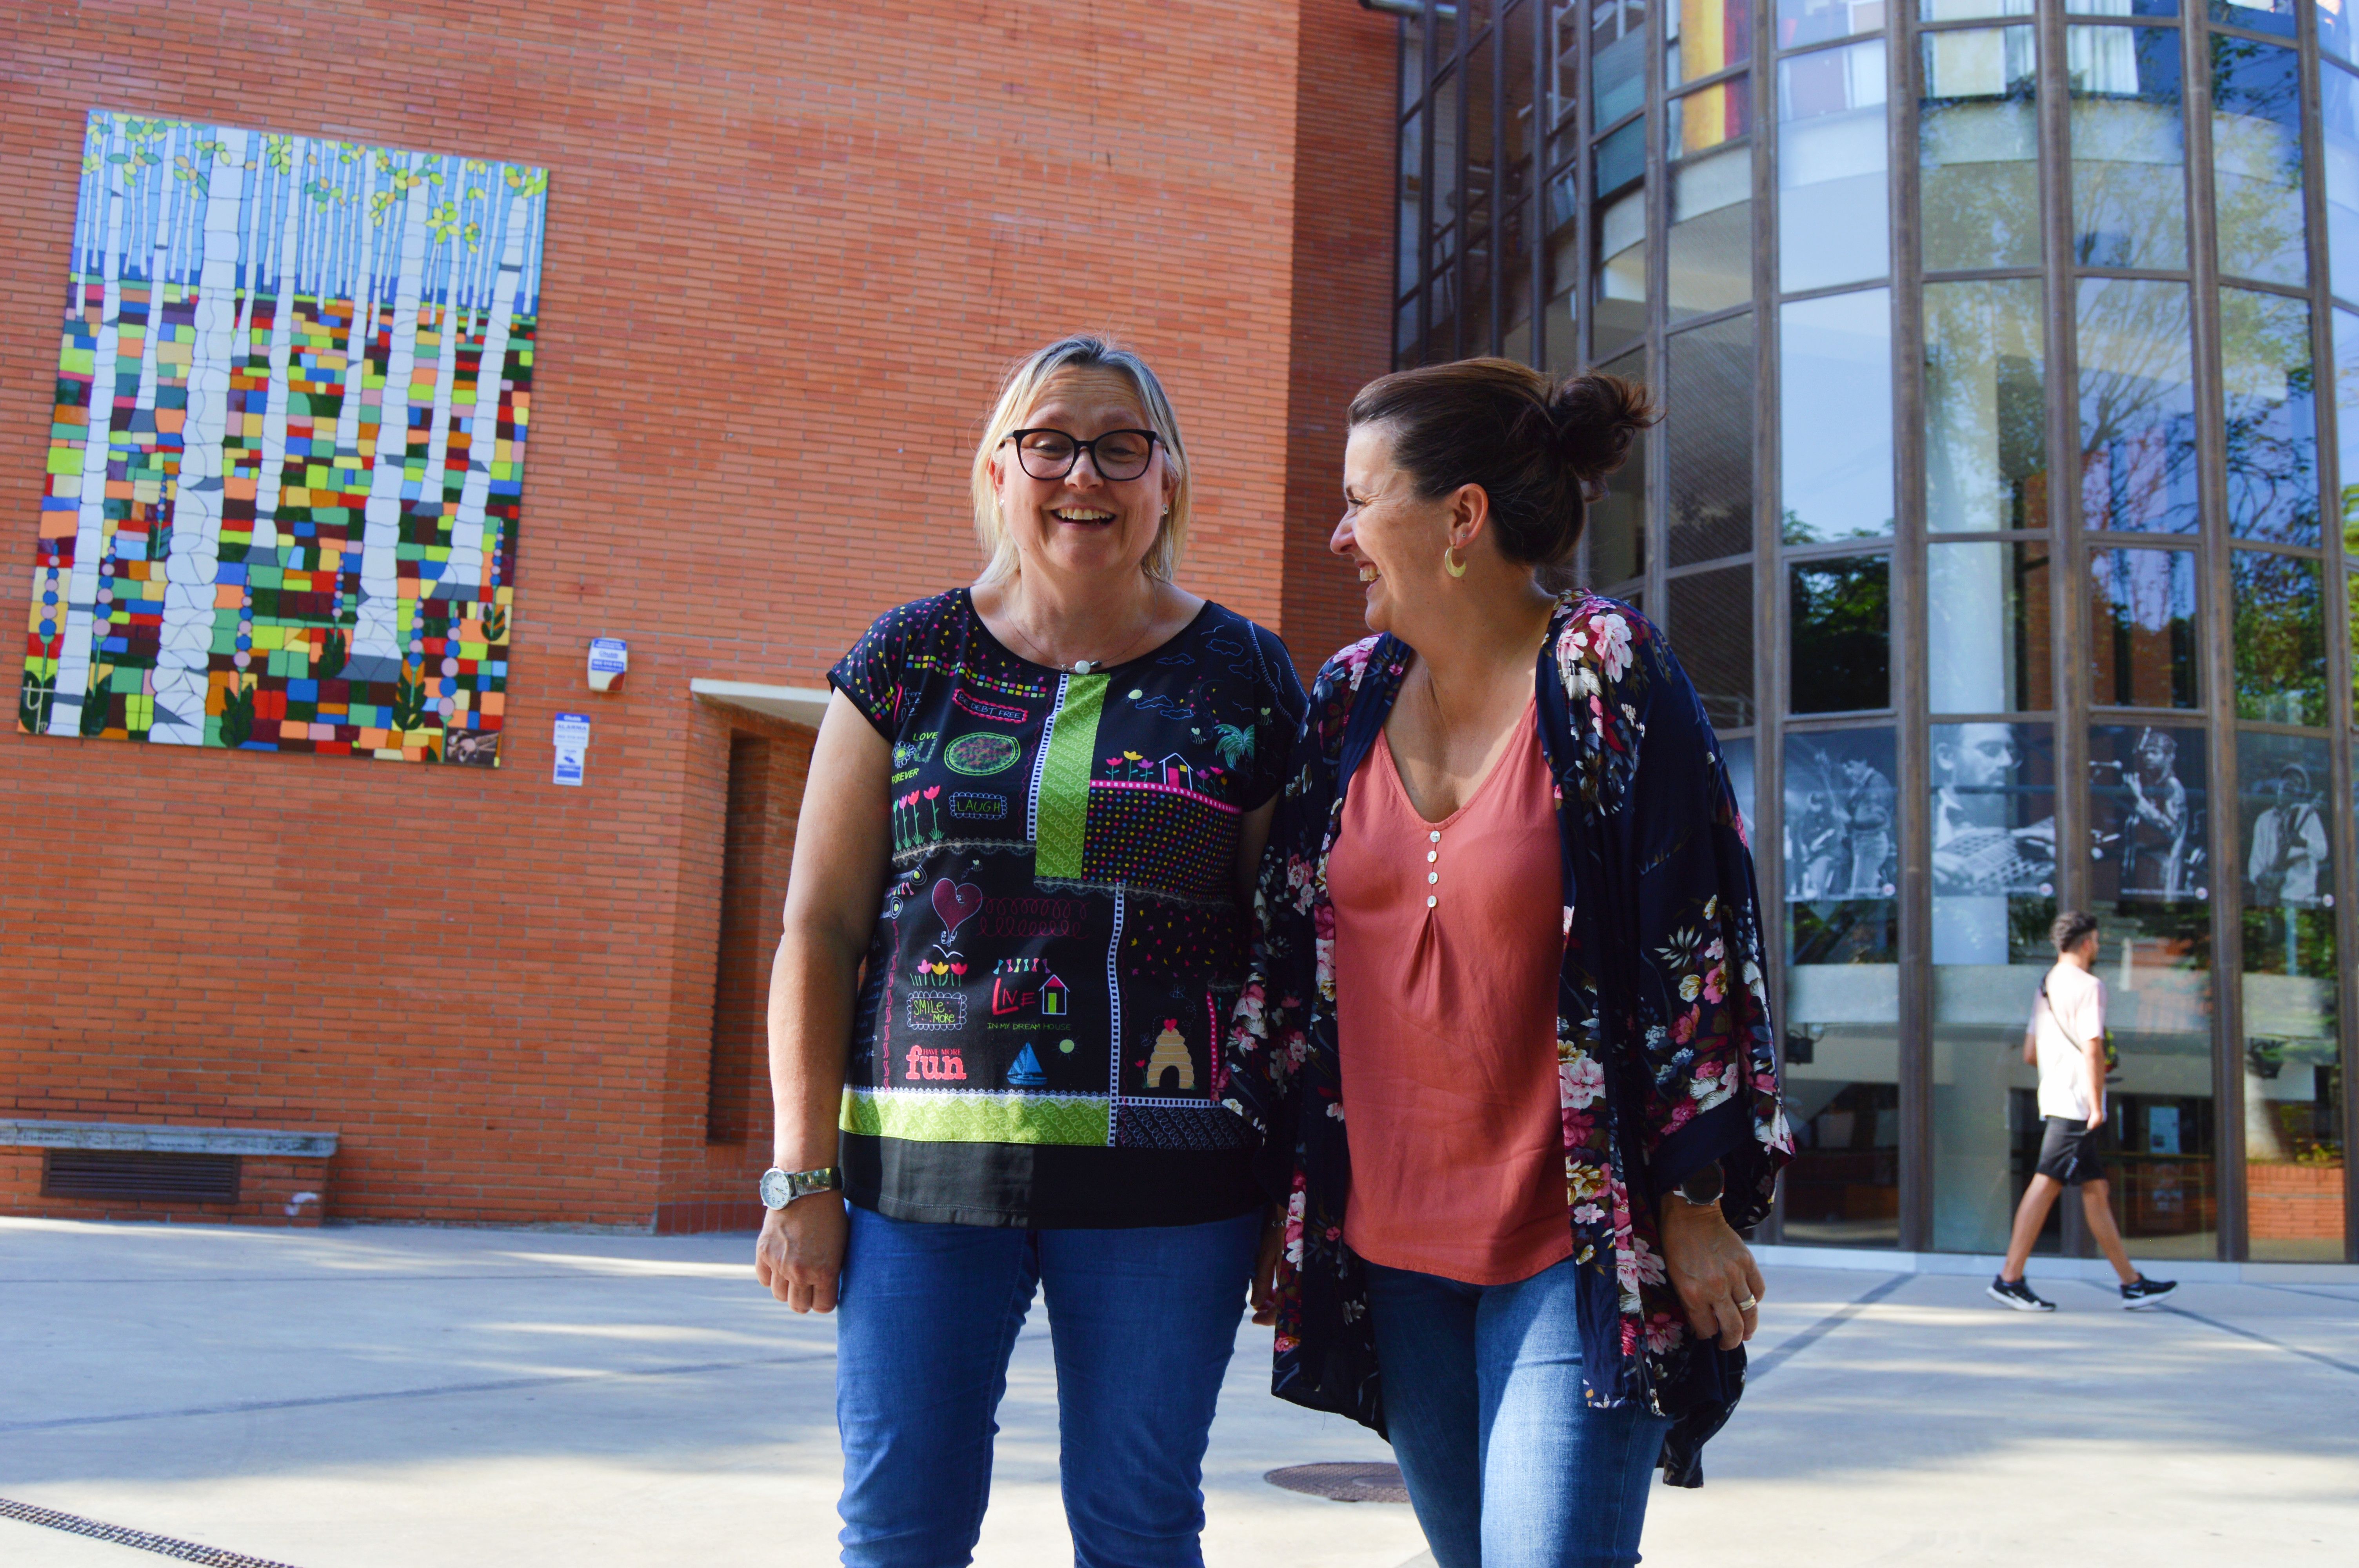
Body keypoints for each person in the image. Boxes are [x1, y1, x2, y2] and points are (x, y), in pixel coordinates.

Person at [1222, 358, 1791, 1568]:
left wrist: (1694, 1204)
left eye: (1360, 499)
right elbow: (1283, 967)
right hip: (1391, 1243)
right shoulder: (1344, 702)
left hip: (1567, 1241)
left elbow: (1699, 941)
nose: (1337, 535)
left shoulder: (1603, 672)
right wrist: (1278, 1197)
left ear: (1460, 519)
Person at [752, 333, 1307, 1567]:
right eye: (1049, 443)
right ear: (997, 470)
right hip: (917, 1183)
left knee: (1139, 1526)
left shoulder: (1248, 673)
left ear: (1167, 480)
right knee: (899, 1529)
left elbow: (1290, 947)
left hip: (1174, 1184)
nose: (1082, 476)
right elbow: (820, 926)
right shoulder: (904, 658)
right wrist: (801, 1175)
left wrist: (1293, 1187)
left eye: (1120, 446)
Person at [1988, 910, 2179, 1313]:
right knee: (2045, 1184)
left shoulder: (2045, 986)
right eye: (2097, 939)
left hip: (2055, 1096)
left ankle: (2132, 1283)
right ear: (2088, 942)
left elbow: (2029, 1053)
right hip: (2076, 1105)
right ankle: (2009, 1278)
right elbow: (2093, 1048)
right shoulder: (2090, 986)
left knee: (2095, 1190)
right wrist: (2096, 1105)